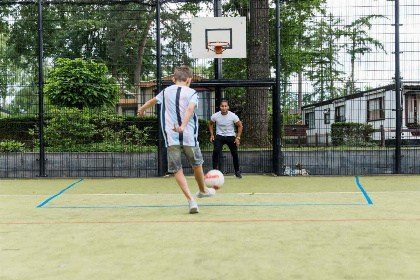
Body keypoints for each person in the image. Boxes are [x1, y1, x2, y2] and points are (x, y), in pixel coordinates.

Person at [137, 66, 215, 214]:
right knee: (196, 164)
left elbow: (152, 101)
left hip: (171, 137)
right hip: (188, 136)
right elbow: (190, 109)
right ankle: (203, 190)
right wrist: (183, 126)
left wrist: (142, 110)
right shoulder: (192, 92)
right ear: (189, 80)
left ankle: (191, 200)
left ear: (173, 79)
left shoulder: (166, 91)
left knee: (177, 169)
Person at [209, 99, 243, 178]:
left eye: (225, 106)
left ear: (228, 107)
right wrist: (212, 135)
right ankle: (214, 171)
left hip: (231, 136)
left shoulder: (233, 116)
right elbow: (210, 124)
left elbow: (240, 125)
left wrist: (238, 137)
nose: (224, 108)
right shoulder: (215, 116)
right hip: (219, 136)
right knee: (215, 151)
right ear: (220, 107)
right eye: (222, 106)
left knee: (234, 153)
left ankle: (237, 171)